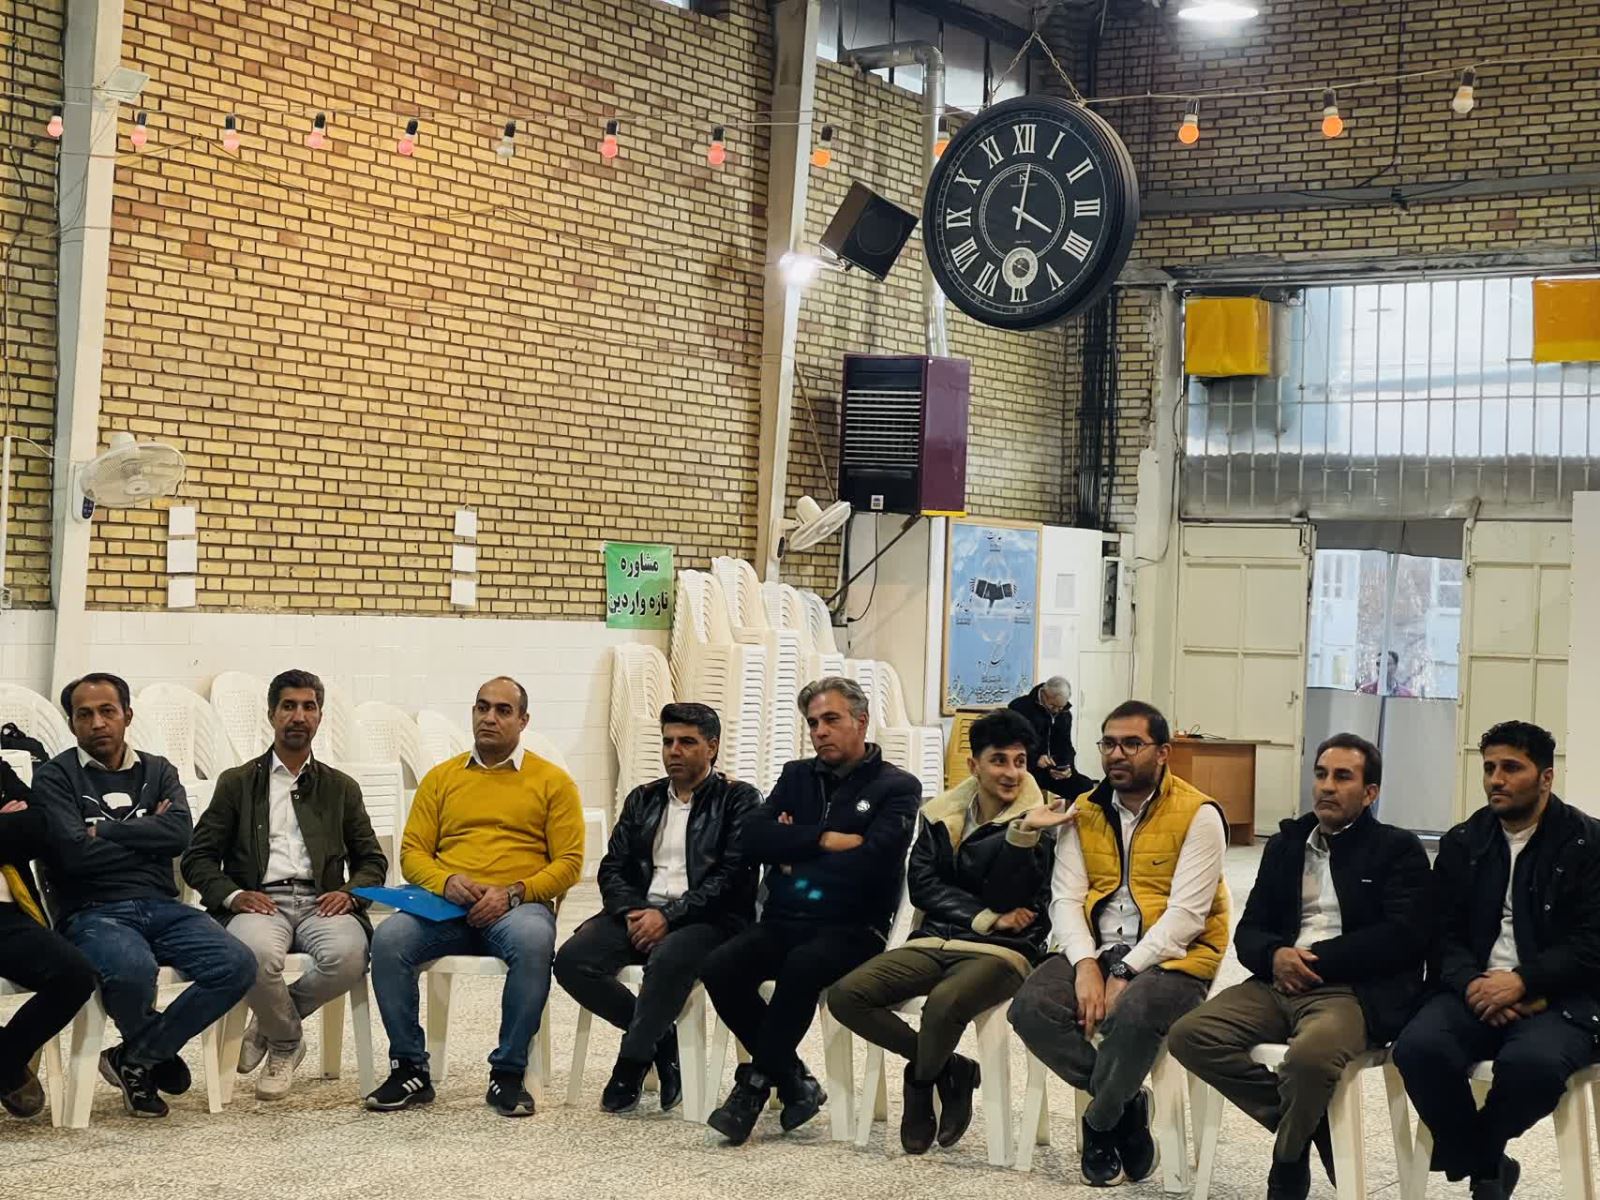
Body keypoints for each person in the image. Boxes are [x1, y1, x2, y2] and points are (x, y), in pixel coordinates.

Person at [1168, 733, 1430, 1200]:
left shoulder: (1397, 849)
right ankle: (1307, 1125)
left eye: (1343, 777)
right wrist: (1274, 955)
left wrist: (1314, 960)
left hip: (1352, 990)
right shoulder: (1286, 844)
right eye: (1321, 774)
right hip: (1278, 984)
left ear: (1370, 793)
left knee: (1311, 1058)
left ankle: (1288, 1160)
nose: (1327, 786)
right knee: (1190, 1035)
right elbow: (1250, 930)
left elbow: (1404, 937)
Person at [826, 708, 1072, 1154]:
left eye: (1020, 761)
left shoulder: (1042, 820)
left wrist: (1021, 835)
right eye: (999, 760)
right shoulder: (940, 813)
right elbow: (923, 885)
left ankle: (920, 1085)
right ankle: (950, 1067)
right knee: (846, 995)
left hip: (1004, 951)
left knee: (943, 1004)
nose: (1011, 772)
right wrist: (985, 917)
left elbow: (1012, 895)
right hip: (936, 937)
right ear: (974, 765)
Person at [1008, 699, 1230, 1187]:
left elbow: (1187, 916)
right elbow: (1066, 899)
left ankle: (1100, 1122)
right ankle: (1127, 1104)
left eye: (1132, 744)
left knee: (1134, 1014)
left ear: (1163, 752)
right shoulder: (1085, 810)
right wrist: (1087, 965)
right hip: (1096, 944)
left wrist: (1126, 971)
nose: (1117, 754)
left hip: (1174, 956)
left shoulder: (1199, 814)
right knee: (1029, 1009)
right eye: (1108, 743)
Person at [701, 676, 920, 1145]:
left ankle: (754, 1087)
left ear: (861, 721)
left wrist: (791, 851)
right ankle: (794, 1079)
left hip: (855, 927)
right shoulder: (797, 776)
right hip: (786, 919)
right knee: (720, 966)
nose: (820, 731)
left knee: (802, 967)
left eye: (831, 719)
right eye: (813, 722)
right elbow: (750, 838)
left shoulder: (897, 787)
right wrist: (822, 839)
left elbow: (873, 861)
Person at [32, 673, 257, 1118]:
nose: (97, 723)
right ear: (72, 723)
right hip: (92, 911)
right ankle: (154, 1056)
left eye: (107, 711)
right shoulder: (54, 777)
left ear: (127, 715)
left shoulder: (158, 770)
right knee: (132, 970)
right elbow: (73, 855)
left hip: (162, 905)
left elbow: (178, 835)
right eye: (84, 714)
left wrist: (103, 831)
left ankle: (134, 1057)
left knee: (236, 964)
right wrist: (144, 833)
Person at [1392, 721, 1600, 1200]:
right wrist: (1474, 984)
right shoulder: (1464, 841)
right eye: (1489, 768)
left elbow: (1592, 943)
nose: (1496, 780)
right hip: (1473, 989)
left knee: (1534, 1067)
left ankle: (1473, 1155)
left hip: (1559, 997)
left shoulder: (1587, 843)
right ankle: (1487, 1164)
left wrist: (1524, 982)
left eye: (1511, 768)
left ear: (1545, 777)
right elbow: (1440, 933)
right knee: (1418, 1049)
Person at [365, 677, 584, 1118]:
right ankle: (410, 1068)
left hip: (516, 908)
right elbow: (412, 853)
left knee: (534, 942)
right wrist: (445, 881)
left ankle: (508, 1072)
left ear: (523, 720)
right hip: (445, 907)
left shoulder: (552, 781)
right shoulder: (441, 779)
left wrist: (515, 893)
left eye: (503, 710)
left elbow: (570, 862)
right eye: (482, 707)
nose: (489, 718)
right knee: (388, 940)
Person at [181, 669, 388, 1100]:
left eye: (308, 707)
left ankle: (270, 1025)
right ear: (272, 715)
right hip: (261, 903)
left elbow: (372, 860)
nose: (299, 716)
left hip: (323, 902)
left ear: (320, 716)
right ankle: (287, 1042)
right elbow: (198, 859)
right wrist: (234, 896)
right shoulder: (237, 783)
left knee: (350, 956)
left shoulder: (340, 788)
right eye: (289, 706)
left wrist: (350, 893)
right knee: (251, 956)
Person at [553, 701, 759, 1114]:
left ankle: (630, 1063)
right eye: (668, 742)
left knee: (667, 960)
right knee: (572, 961)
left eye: (687, 742)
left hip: (710, 919)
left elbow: (733, 878)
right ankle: (660, 1039)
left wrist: (669, 916)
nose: (674, 751)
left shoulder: (739, 799)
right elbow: (612, 867)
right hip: (640, 912)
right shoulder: (643, 799)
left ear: (712, 747)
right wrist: (633, 911)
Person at [0, 759, 98, 1119]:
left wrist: (15, 827)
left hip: (8, 916)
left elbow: (40, 827)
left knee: (75, 975)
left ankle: (5, 1058)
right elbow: (19, 830)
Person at [1009, 677, 1093, 800]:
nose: (1057, 711)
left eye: (1061, 707)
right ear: (1043, 694)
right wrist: (1036, 759)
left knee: (1085, 786)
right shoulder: (1019, 708)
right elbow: (1012, 744)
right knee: (1028, 792)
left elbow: (1066, 746)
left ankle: (1074, 813)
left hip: (1052, 771)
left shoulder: (1064, 714)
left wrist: (1067, 767)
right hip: (1028, 769)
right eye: (1053, 706)